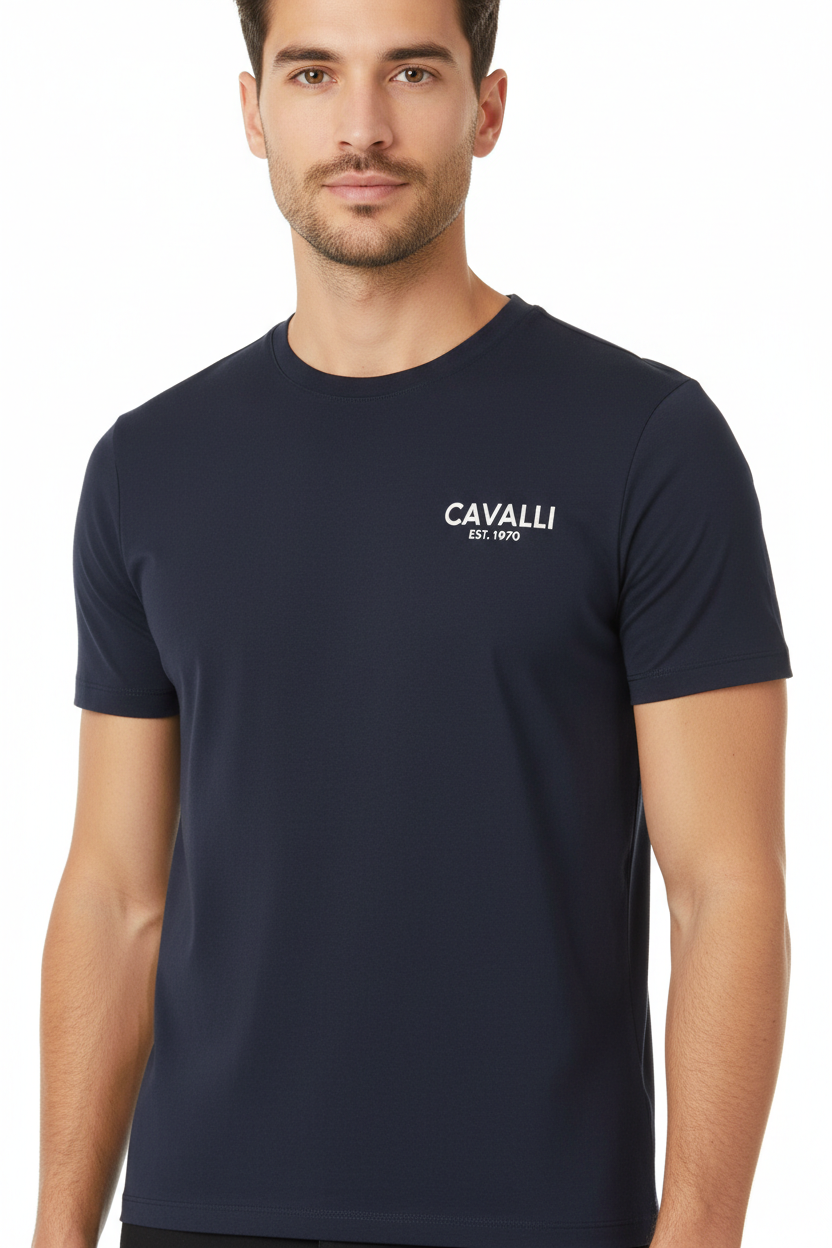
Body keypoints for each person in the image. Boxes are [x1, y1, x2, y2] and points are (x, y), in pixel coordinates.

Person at [32, 0, 793, 1246]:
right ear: (251, 111)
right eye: (313, 74)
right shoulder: (147, 466)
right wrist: (58, 1228)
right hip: (202, 1211)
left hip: (538, 1219)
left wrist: (700, 1232)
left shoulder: (646, 444)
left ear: (487, 109)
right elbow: (115, 892)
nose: (362, 127)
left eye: (413, 72)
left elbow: (725, 888)